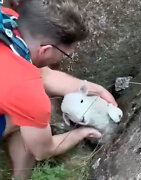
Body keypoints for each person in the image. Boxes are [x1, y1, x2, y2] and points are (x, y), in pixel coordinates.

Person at [0, 0, 118, 179]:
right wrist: (80, 133)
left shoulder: (8, 18)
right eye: (64, 54)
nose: (61, 59)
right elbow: (43, 150)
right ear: (45, 50)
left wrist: (96, 90)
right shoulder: (27, 93)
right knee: (31, 119)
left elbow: (43, 75)